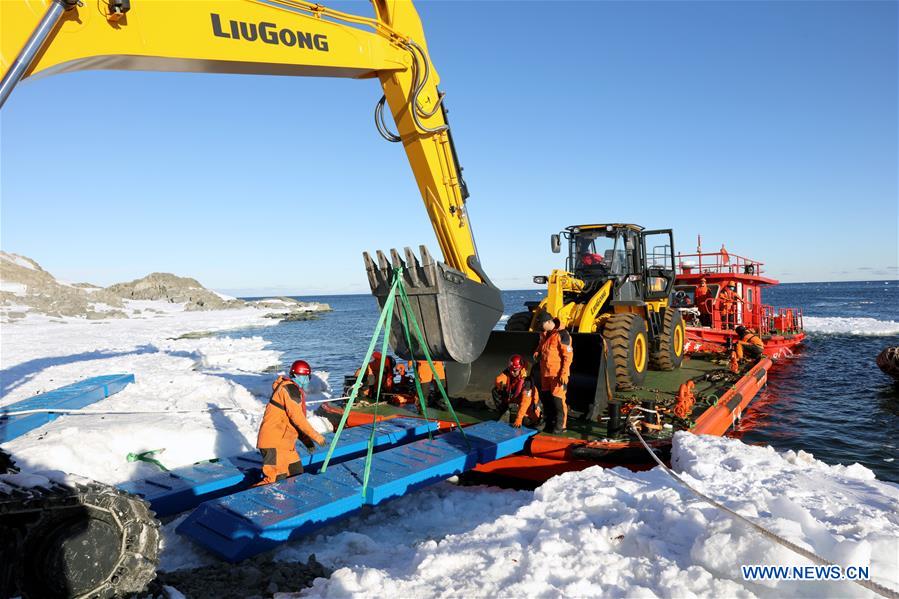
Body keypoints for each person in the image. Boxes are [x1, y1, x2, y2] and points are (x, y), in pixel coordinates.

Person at [256, 360, 325, 485]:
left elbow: (294, 421)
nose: (308, 380)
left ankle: (289, 499)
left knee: (296, 471)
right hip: (273, 444)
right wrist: (316, 436)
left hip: (285, 445)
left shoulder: (293, 389)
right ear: (299, 376)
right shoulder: (289, 389)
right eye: (307, 377)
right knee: (274, 480)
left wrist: (306, 440)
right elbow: (298, 418)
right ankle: (256, 500)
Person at [533, 311, 573, 434]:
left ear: (549, 322)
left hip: (557, 374)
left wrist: (564, 373)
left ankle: (561, 425)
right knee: (546, 398)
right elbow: (541, 346)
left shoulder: (562, 334)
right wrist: (537, 352)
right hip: (545, 373)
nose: (540, 327)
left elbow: (568, 355)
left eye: (541, 324)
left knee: (558, 400)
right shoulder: (543, 334)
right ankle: (547, 421)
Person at [492, 354, 542, 428]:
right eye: (510, 370)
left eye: (514, 371)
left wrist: (519, 419)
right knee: (496, 390)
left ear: (520, 368)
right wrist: (500, 384)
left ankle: (519, 416)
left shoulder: (527, 382)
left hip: (528, 406)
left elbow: (525, 402)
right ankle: (504, 412)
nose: (512, 372)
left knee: (526, 421)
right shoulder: (511, 371)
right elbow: (500, 378)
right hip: (515, 399)